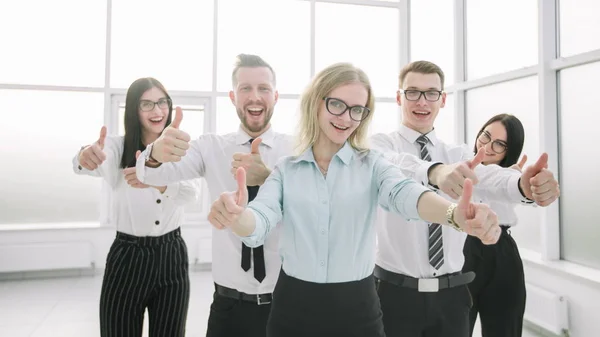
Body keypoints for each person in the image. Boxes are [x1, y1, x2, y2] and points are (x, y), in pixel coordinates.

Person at [207, 62, 503, 337]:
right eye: (337, 105)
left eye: (357, 110)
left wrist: (453, 214)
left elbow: (407, 195)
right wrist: (237, 216)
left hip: (357, 308)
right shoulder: (287, 168)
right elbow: (260, 220)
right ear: (316, 102)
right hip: (292, 307)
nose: (346, 118)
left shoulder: (373, 164)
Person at [370, 60, 560, 337]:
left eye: (431, 93)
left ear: (443, 100)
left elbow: (494, 177)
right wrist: (434, 171)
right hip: (394, 295)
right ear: (399, 97)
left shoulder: (458, 154)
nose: (422, 101)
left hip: (452, 298)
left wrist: (523, 185)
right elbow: (386, 164)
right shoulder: (380, 145)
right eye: (412, 92)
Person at [135, 54, 293, 337]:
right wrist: (156, 155)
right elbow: (151, 175)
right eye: (245, 88)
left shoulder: (296, 150)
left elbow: (317, 208)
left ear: (276, 96)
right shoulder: (210, 147)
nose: (255, 97)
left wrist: (269, 178)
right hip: (229, 308)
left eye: (263, 88)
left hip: (288, 304)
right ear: (233, 96)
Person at [73, 77, 199, 337]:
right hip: (128, 255)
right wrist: (85, 154)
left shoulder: (180, 148)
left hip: (171, 253)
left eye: (162, 102)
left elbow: (190, 195)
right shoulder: (117, 147)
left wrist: (158, 181)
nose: (157, 111)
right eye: (147, 104)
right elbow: (87, 161)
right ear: (134, 110)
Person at [463, 113, 530, 337]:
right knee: (457, 325)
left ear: (509, 150)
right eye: (485, 136)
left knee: (505, 329)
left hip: (502, 250)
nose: (488, 147)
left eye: (499, 144)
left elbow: (526, 196)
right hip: (463, 248)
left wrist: (516, 180)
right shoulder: (459, 164)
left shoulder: (512, 178)